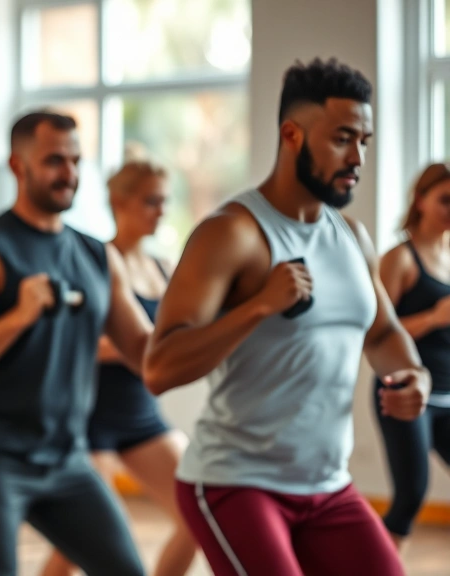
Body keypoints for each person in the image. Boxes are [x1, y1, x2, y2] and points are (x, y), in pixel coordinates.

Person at [143, 58, 428, 576]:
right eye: (343, 138)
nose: (357, 156)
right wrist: (258, 307)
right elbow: (159, 368)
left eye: (364, 140)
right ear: (292, 135)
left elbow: (383, 332)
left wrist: (415, 376)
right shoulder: (231, 234)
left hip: (327, 486)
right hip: (235, 481)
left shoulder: (352, 238)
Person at [0, 111, 151, 576]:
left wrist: (224, 323)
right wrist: (18, 317)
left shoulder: (97, 255)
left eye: (75, 160)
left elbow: (145, 353)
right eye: (55, 160)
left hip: (67, 457)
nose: (69, 173)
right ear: (18, 165)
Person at [42, 159, 198, 576]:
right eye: (151, 201)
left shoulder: (163, 267)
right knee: (79, 542)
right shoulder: (94, 259)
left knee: (198, 511)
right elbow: (69, 340)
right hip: (89, 417)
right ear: (119, 202)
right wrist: (133, 347)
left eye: (165, 201)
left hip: (141, 416)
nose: (161, 211)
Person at [374, 162, 450, 549]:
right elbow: (376, 332)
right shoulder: (399, 259)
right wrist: (435, 317)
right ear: (420, 200)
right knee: (410, 498)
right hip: (405, 393)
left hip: (448, 395)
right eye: (445, 200)